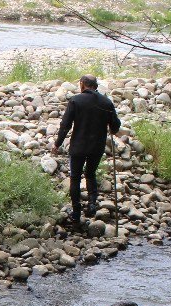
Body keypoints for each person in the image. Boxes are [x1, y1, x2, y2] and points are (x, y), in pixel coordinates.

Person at [50, 74, 122, 226]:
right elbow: (115, 126)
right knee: (90, 174)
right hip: (97, 146)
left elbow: (65, 125)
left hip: (79, 146)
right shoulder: (106, 102)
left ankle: (76, 213)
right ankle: (92, 205)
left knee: (75, 178)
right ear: (95, 86)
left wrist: (57, 144)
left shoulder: (76, 100)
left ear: (82, 84)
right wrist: (110, 124)